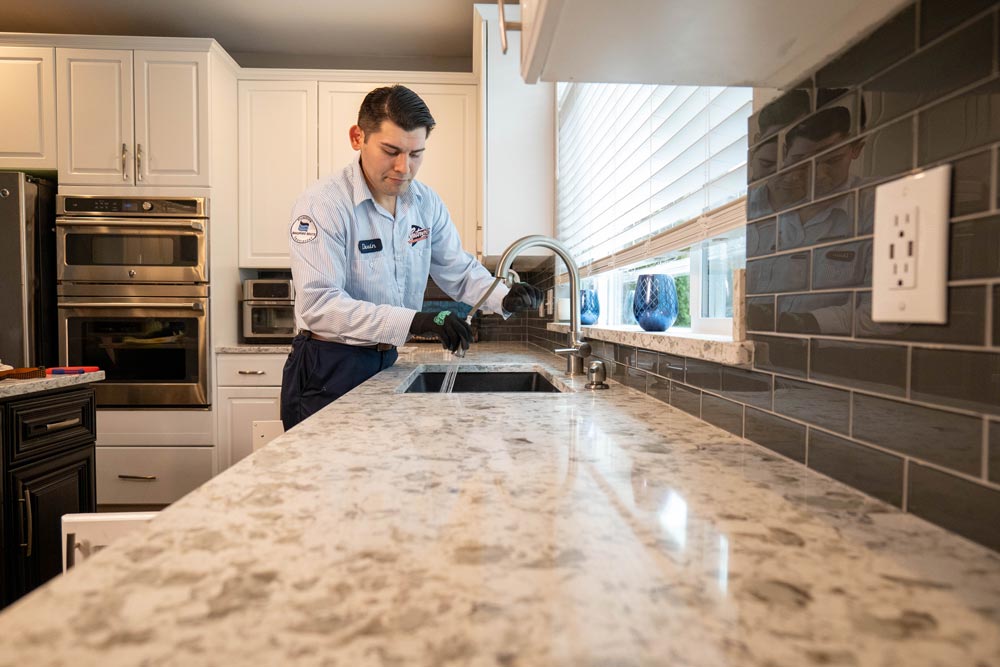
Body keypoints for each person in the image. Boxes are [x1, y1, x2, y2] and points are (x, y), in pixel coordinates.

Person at [280, 85, 542, 430]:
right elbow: (320, 306)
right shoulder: (323, 205)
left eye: (416, 153)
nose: (404, 168)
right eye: (391, 151)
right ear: (357, 137)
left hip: (386, 359)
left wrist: (503, 296)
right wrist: (415, 321)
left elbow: (458, 270)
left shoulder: (425, 203)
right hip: (328, 366)